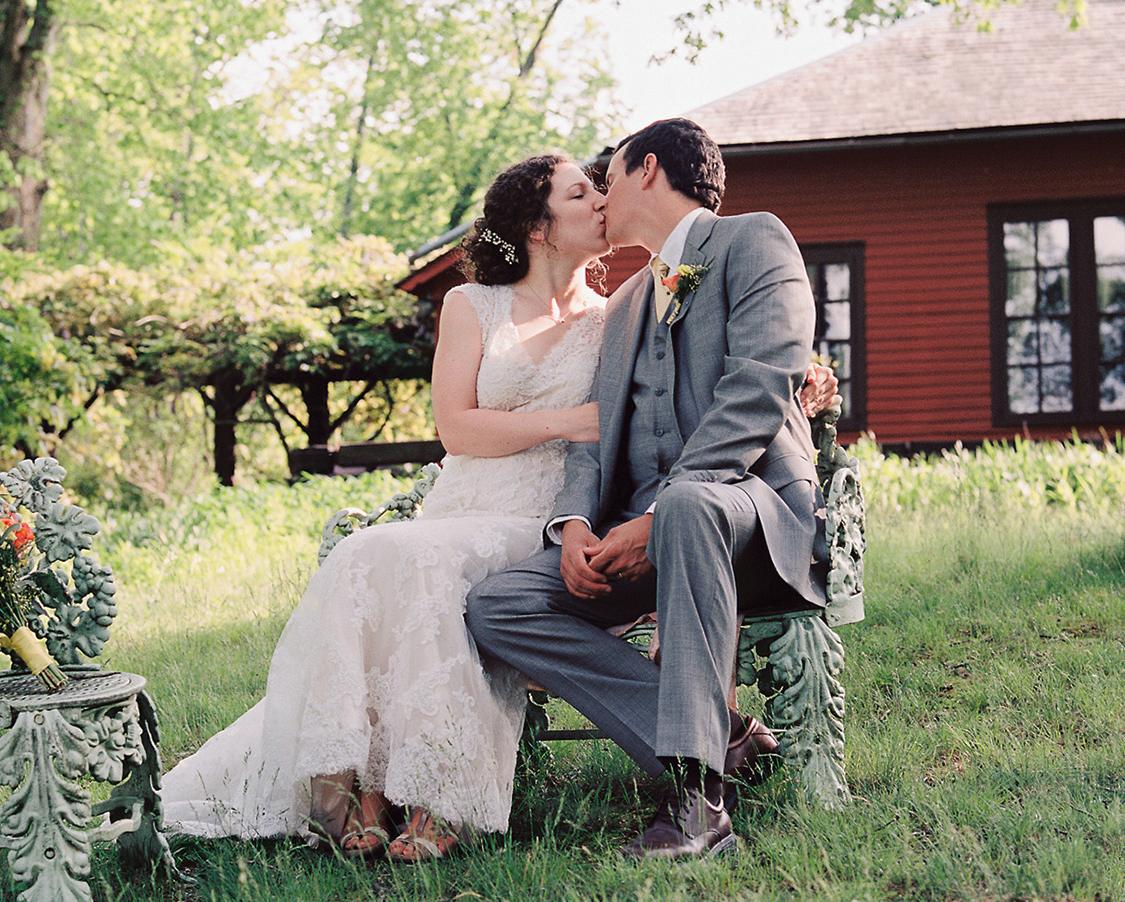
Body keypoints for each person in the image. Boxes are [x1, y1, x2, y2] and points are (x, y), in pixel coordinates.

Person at [155, 152, 612, 861]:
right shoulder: (473, 306)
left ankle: (440, 802)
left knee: (405, 558)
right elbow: (456, 428)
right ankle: (359, 787)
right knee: (378, 553)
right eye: (581, 194)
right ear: (536, 226)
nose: (601, 203)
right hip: (462, 505)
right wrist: (568, 420)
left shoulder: (613, 319)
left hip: (540, 518)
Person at [465, 118, 829, 861]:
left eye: (610, 177)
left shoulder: (755, 240)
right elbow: (597, 434)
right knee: (498, 606)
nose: (600, 197)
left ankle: (698, 803)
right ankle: (721, 736)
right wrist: (573, 524)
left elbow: (759, 392)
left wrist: (657, 516)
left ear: (648, 170)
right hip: (640, 534)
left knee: (691, 503)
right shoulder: (626, 301)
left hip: (752, 519)